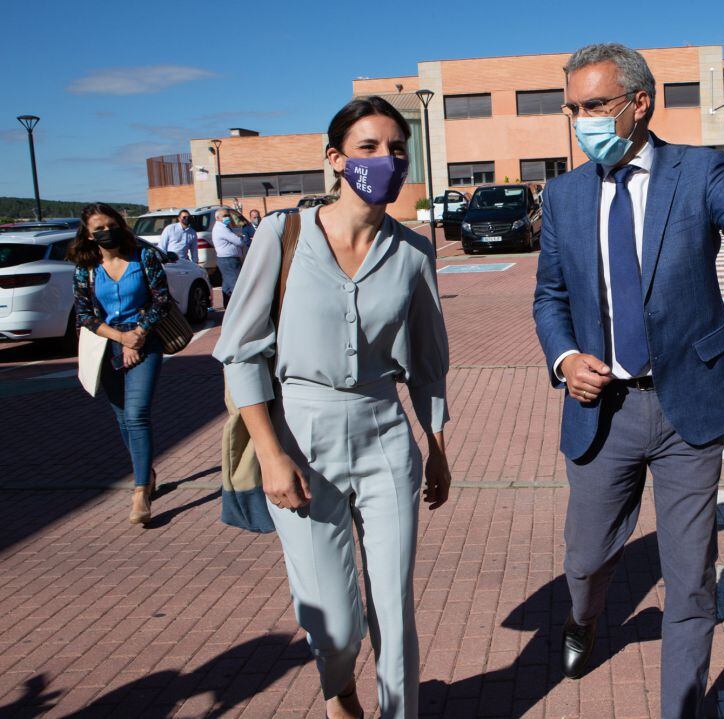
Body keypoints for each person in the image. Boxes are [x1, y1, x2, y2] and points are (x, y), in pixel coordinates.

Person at [532, 44, 724, 718]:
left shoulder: (697, 169)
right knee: (585, 560)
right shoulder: (561, 195)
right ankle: (582, 621)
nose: (581, 121)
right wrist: (564, 359)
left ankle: (682, 709)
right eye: (572, 109)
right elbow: (549, 299)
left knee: (692, 580)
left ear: (640, 103)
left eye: (594, 106)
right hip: (602, 410)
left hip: (687, 409)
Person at [213, 96, 453, 719]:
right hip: (300, 438)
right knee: (334, 621)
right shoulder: (282, 235)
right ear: (335, 159)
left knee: (394, 609)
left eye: (397, 149)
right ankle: (340, 688)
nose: (386, 160)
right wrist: (269, 453)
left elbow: (428, 363)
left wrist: (437, 449)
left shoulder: (412, 254)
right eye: (369, 147)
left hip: (385, 435)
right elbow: (239, 350)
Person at [71, 202, 172, 525]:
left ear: (120, 224)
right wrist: (120, 338)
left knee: (137, 414)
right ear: (88, 236)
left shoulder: (144, 257)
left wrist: (137, 334)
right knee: (123, 420)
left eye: (109, 225)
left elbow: (161, 299)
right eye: (97, 229)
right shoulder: (85, 269)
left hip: (146, 342)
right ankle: (147, 472)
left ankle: (140, 490)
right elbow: (85, 314)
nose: (105, 232)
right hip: (106, 348)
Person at [212, 208, 247, 308]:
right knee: (236, 285)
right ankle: (239, 308)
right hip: (229, 260)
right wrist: (241, 237)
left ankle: (228, 307)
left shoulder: (224, 227)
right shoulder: (221, 228)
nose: (227, 218)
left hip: (225, 260)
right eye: (224, 216)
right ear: (218, 218)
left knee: (227, 285)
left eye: (228, 215)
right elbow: (239, 242)